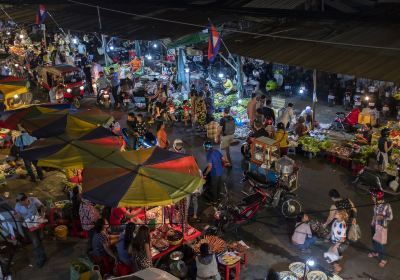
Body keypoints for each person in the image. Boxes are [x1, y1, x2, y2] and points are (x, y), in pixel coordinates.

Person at [15, 193, 47, 267]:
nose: (20, 204)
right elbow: (18, 216)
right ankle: (41, 259)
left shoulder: (34, 200)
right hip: (29, 227)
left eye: (21, 202)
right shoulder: (18, 205)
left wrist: (42, 216)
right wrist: (18, 217)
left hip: (37, 223)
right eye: (19, 202)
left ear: (26, 199)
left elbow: (42, 207)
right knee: (35, 242)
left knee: (41, 238)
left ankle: (42, 253)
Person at [368, 189, 393, 268]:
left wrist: (382, 217)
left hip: (381, 227)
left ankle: (383, 259)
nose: (371, 197)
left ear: (376, 197)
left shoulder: (386, 205)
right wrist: (372, 221)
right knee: (374, 241)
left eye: (373, 196)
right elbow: (375, 214)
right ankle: (376, 252)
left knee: (380, 244)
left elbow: (390, 217)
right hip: (374, 225)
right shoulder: (375, 204)